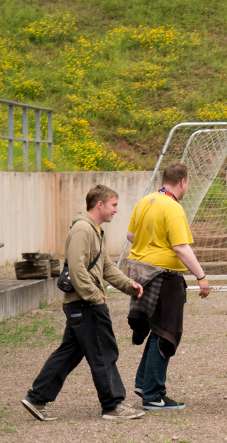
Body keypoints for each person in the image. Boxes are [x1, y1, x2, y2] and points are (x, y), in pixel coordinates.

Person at [21, 185, 145, 422]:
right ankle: (113, 404)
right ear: (100, 204)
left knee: (69, 352)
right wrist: (94, 296)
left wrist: (129, 285)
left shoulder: (95, 231)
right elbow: (77, 269)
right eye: (114, 205)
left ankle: (37, 398)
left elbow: (106, 266)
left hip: (82, 303)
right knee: (103, 351)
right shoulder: (82, 230)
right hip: (85, 304)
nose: (116, 210)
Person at [125, 163, 211, 411]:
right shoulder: (172, 207)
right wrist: (201, 276)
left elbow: (131, 235)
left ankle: (144, 383)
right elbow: (181, 247)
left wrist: (151, 244)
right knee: (165, 333)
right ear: (183, 181)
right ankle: (153, 394)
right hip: (164, 277)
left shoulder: (145, 202)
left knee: (155, 329)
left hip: (142, 273)